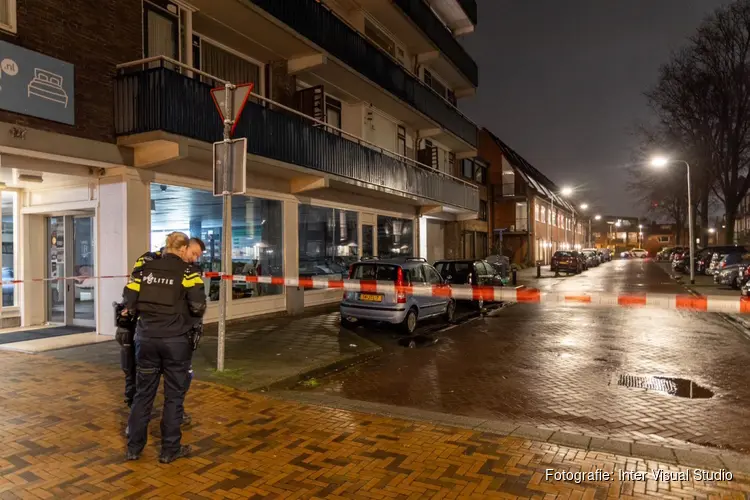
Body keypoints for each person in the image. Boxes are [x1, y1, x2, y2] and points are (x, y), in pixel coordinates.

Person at [123, 232, 206, 463]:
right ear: (182, 249)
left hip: (146, 339)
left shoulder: (145, 267)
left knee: (143, 395)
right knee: (173, 397)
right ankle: (169, 451)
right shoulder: (189, 273)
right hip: (175, 342)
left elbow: (129, 298)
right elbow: (199, 306)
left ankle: (133, 449)